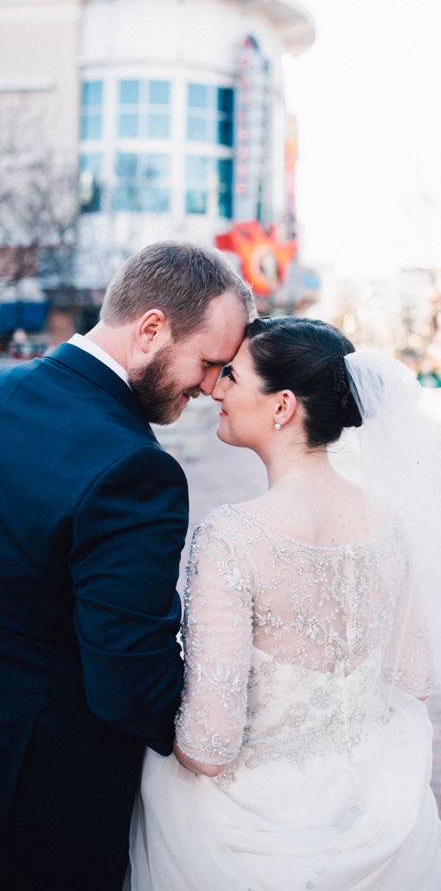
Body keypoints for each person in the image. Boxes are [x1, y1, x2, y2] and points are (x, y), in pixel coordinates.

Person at [128, 317, 441, 890]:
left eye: (233, 377)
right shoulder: (388, 526)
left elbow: (210, 746)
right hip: (373, 812)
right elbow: (410, 682)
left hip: (245, 839)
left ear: (283, 406)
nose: (216, 389)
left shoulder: (230, 538)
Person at [0, 241, 252, 889]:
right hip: (44, 799)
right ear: (151, 330)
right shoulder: (133, 469)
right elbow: (129, 682)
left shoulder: (7, 391)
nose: (209, 386)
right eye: (208, 362)